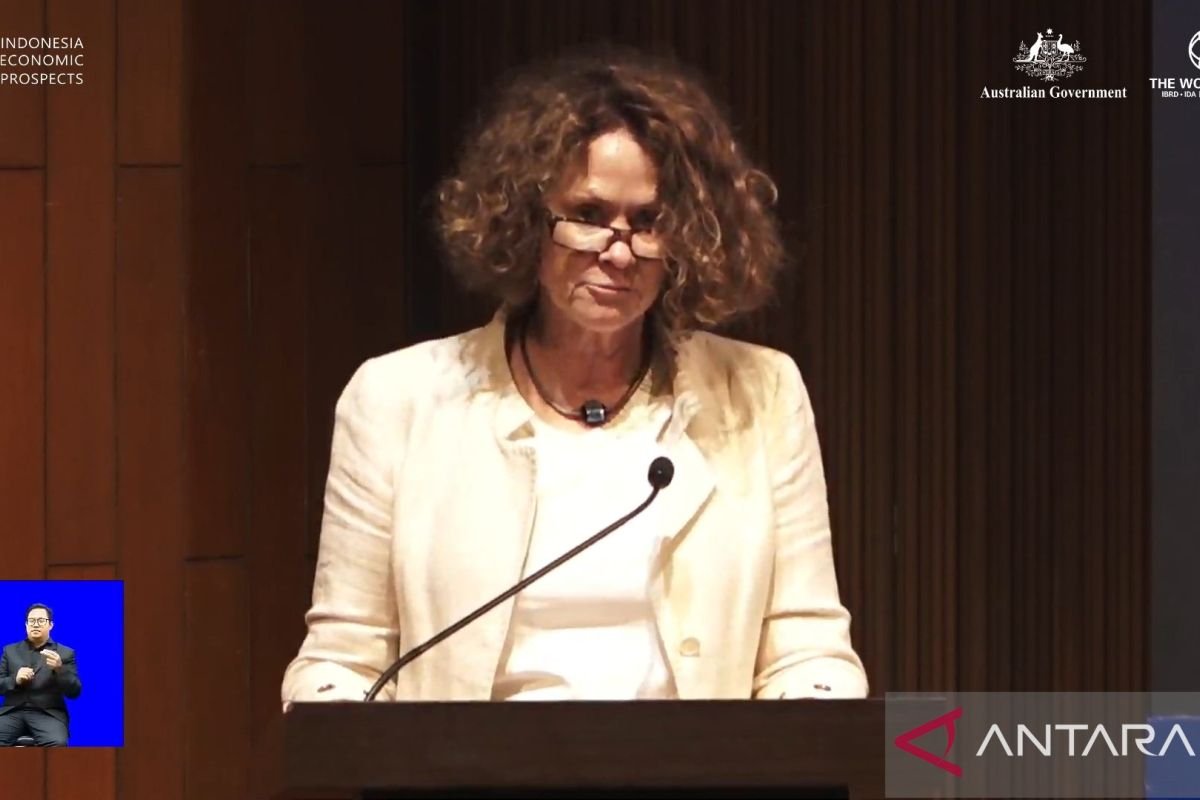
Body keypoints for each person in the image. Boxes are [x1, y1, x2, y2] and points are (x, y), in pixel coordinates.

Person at [281, 45, 868, 707]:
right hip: (475, 763)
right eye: (587, 217)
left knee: (916, 742)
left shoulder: (760, 392)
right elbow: (342, 659)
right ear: (527, 222)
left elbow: (809, 648)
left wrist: (811, 716)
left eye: (648, 223)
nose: (618, 252)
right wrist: (339, 714)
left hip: (691, 761)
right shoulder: (397, 399)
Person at [0, 603, 82, 745]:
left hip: (47, 713)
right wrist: (15, 680)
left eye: (41, 620)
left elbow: (74, 692)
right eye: (31, 621)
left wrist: (60, 669)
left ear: (51, 625)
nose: (35, 624)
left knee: (57, 743)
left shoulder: (65, 653)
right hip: (12, 712)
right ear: (26, 624)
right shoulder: (10, 651)